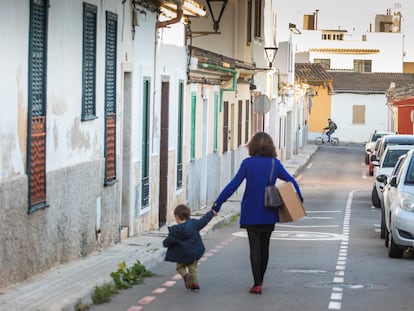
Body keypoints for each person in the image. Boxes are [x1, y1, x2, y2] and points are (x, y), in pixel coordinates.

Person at [212, 132, 303, 295]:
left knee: (254, 248)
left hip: (250, 211)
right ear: (271, 146)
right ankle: (260, 281)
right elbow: (291, 181)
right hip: (269, 211)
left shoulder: (248, 163)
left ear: (252, 146)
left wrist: (218, 204)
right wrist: (299, 200)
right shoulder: (275, 164)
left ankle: (257, 283)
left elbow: (233, 185)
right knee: (265, 247)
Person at [163, 204, 217, 292]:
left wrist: (165, 243)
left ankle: (185, 275)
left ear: (177, 217)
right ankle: (195, 285)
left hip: (182, 255)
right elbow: (203, 221)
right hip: (194, 252)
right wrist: (211, 213)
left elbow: (168, 242)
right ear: (188, 215)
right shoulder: (194, 224)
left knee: (180, 267)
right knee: (193, 269)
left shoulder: (175, 230)